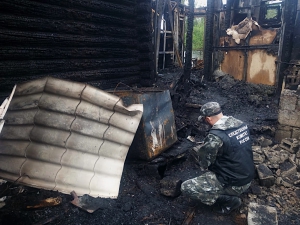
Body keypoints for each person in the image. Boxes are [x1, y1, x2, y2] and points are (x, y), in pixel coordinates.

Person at [181, 102, 255, 214]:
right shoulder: (241, 124)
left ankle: (230, 200)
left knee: (186, 187)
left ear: (208, 118)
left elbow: (205, 162)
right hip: (247, 177)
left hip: (235, 184)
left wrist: (203, 157)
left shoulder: (215, 136)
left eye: (205, 120)